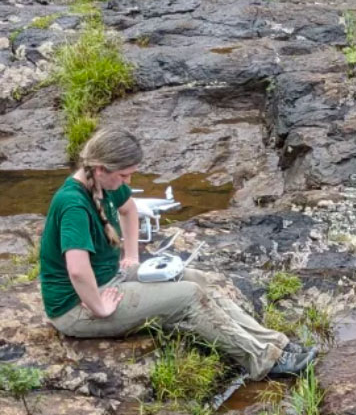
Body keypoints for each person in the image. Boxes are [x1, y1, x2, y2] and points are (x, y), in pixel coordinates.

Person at [39, 129, 315, 380]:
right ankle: (262, 361)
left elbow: (129, 209)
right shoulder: (73, 204)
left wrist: (132, 256)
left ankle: (275, 344)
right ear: (100, 169)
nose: (128, 181)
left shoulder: (103, 183)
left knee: (196, 278)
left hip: (109, 279)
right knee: (187, 296)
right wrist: (99, 307)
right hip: (76, 307)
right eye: (124, 175)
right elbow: (77, 269)